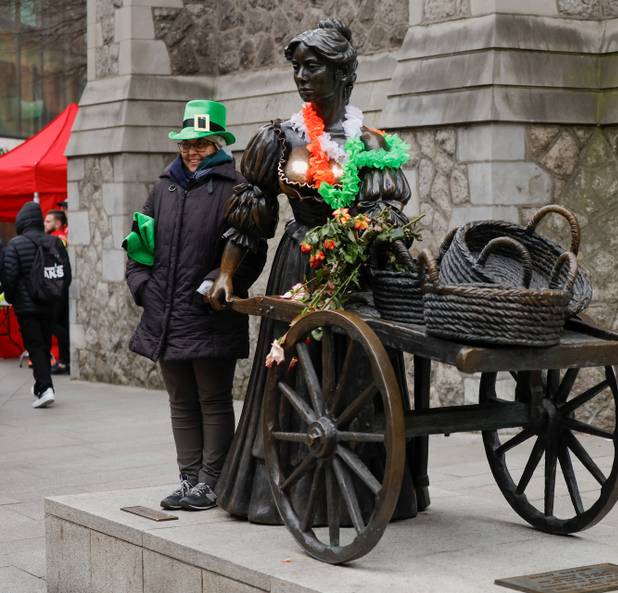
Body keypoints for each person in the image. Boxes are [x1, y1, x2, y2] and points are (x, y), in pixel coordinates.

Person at [207, 19, 418, 525]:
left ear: (344, 72)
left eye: (314, 66)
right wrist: (227, 274)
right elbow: (251, 213)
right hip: (301, 262)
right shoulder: (281, 138)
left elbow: (390, 215)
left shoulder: (372, 142)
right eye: (297, 67)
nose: (302, 76)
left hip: (360, 270)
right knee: (295, 371)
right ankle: (284, 488)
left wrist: (382, 236)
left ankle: (367, 490)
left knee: (361, 371)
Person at [125, 99, 266, 511]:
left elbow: (251, 252)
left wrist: (218, 282)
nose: (191, 151)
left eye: (201, 144)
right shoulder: (162, 187)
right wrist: (142, 286)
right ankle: (189, 480)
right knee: (181, 401)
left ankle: (212, 482)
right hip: (164, 315)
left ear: (218, 143)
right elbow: (139, 245)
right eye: (187, 143)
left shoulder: (237, 189)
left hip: (209, 313)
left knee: (213, 398)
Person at [0, 202, 71, 408]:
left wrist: (13, 298)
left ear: (21, 221)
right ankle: (42, 385)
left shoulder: (15, 244)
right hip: (51, 303)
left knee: (35, 346)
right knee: (45, 344)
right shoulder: (55, 242)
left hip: (27, 306)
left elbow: (9, 277)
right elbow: (66, 274)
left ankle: (45, 388)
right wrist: (56, 295)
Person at [44, 209, 69, 374]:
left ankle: (65, 361)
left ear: (57, 224)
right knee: (59, 325)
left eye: (48, 221)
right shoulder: (58, 237)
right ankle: (64, 361)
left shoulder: (58, 238)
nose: (44, 224)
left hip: (56, 287)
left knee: (56, 325)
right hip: (60, 286)